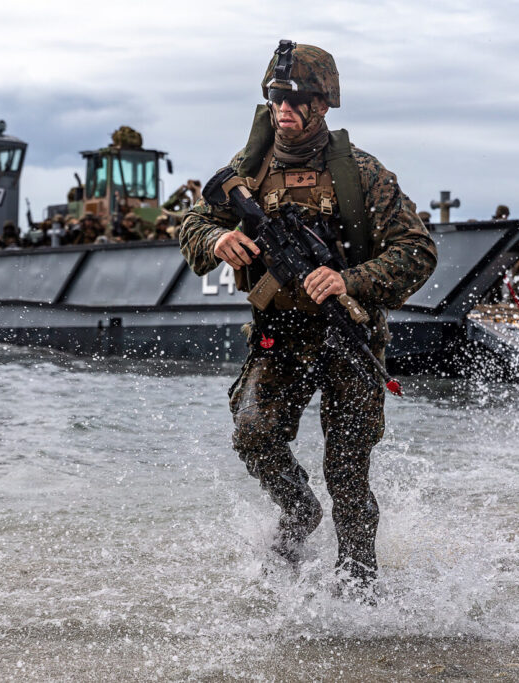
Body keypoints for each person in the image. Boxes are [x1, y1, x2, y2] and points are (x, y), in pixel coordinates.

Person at [179, 40, 437, 593]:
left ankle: (359, 592)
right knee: (253, 436)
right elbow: (193, 226)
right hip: (281, 336)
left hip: (350, 338)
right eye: (275, 98)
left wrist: (350, 280)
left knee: (347, 475)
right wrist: (218, 237)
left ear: (323, 106)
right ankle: (298, 513)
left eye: (296, 99)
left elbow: (417, 250)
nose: (284, 109)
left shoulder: (363, 174)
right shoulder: (248, 173)